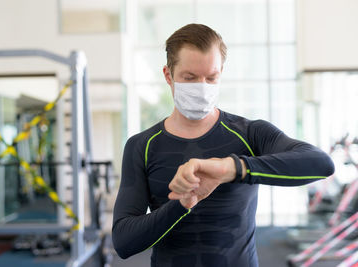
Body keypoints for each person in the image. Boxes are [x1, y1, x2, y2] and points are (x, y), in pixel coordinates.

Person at [112, 23, 334, 267]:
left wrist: (234, 169)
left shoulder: (249, 133)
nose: (202, 87)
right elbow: (124, 242)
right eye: (190, 78)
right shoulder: (142, 146)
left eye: (211, 77)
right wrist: (180, 204)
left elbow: (321, 164)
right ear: (168, 75)